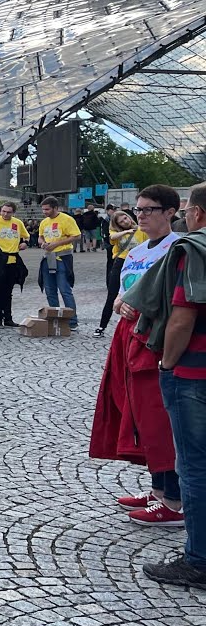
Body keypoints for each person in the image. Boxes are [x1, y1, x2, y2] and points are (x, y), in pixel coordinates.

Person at [90, 184, 183, 527]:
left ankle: (173, 498)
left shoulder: (178, 248)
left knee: (159, 414)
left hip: (155, 336)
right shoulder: (136, 250)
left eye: (148, 210)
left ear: (170, 212)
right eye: (138, 209)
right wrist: (117, 303)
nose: (140, 215)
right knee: (137, 411)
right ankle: (158, 489)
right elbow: (123, 291)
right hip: (128, 333)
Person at [144, 185, 206, 589]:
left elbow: (182, 317)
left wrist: (167, 362)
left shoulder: (193, 251)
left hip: (193, 373)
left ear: (196, 213)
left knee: (195, 466)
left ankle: (198, 559)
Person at [94, 209, 144, 338]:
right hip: (121, 263)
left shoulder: (141, 230)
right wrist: (126, 232)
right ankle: (102, 326)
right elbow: (112, 238)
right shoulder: (116, 232)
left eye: (126, 218)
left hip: (138, 265)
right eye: (121, 221)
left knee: (137, 295)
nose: (125, 222)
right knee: (112, 295)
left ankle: (138, 325)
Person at [37, 196, 81, 329]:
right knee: (50, 290)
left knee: (65, 290)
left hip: (62, 257)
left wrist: (56, 243)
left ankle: (72, 320)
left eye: (47, 209)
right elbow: (40, 236)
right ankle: (55, 317)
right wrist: (43, 243)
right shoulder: (44, 222)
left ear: (55, 208)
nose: (45, 212)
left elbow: (76, 236)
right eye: (43, 209)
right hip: (48, 257)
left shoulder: (67, 219)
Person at [0, 203, 29, 327]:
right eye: (3, 211)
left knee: (8, 291)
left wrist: (25, 243)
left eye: (8, 212)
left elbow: (26, 236)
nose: (5, 214)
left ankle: (8, 318)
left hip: (12, 259)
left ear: (13, 213)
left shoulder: (17, 223)